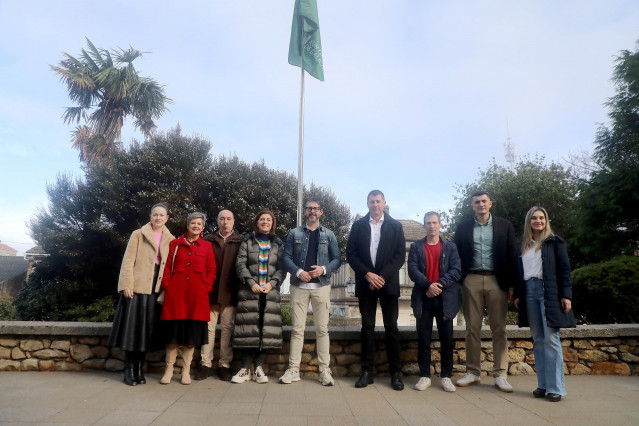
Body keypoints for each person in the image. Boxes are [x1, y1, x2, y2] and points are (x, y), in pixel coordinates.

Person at [454, 190, 517, 392]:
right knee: (472, 327)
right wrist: (460, 280)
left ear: (491, 203)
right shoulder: (463, 227)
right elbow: (456, 254)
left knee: (499, 328)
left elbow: (512, 255)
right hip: (471, 279)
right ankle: (472, 372)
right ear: (472, 206)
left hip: (496, 280)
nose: (480, 204)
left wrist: (512, 285)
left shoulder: (504, 226)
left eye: (484, 201)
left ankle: (500, 374)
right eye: (476, 202)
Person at [108, 203, 175, 386]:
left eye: (162, 215)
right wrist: (126, 284)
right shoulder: (138, 234)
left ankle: (139, 368)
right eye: (155, 214)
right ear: (150, 216)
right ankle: (129, 369)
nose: (158, 218)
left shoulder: (171, 238)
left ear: (167, 218)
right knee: (133, 330)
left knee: (146, 331)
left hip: (156, 288)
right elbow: (128, 261)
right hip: (137, 286)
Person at [514, 206, 576, 402]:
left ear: (546, 220)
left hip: (547, 291)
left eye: (541, 218)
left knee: (551, 338)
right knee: (538, 339)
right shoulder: (523, 245)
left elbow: (564, 271)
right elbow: (519, 272)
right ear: (529, 221)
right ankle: (542, 384)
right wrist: (517, 294)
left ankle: (555, 388)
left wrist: (566, 296)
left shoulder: (554, 242)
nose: (538, 221)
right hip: (528, 292)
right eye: (534, 218)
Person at [346, 190, 406, 390]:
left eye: (378, 201)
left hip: (388, 283)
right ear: (367, 203)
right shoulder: (358, 226)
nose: (375, 205)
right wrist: (368, 275)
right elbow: (351, 254)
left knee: (392, 328)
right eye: (372, 202)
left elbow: (399, 256)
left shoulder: (395, 226)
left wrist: (381, 277)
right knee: (367, 328)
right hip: (366, 282)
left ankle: (395, 374)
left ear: (384, 203)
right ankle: (366, 372)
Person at [279, 197, 341, 386]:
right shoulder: (294, 233)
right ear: (304, 211)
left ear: (321, 212)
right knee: (297, 330)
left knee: (322, 330)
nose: (312, 211)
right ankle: (293, 369)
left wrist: (323, 269)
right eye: (309, 208)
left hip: (321, 286)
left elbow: (337, 258)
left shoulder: (329, 234)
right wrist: (298, 271)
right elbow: (286, 257)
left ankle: (324, 370)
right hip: (299, 287)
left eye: (315, 208)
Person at [407, 211, 462, 392]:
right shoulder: (416, 247)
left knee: (447, 339)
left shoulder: (450, 247)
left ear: (440, 225)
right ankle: (424, 376)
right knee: (424, 339)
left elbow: (456, 270)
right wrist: (428, 286)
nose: (431, 226)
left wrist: (439, 285)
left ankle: (446, 377)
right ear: (424, 226)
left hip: (445, 299)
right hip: (424, 298)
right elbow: (413, 270)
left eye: (434, 223)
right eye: (428, 223)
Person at [159, 212, 216, 385]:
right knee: (172, 338)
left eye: (199, 224)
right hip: (175, 298)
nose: (196, 226)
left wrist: (206, 286)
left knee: (190, 339)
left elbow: (211, 270)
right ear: (188, 225)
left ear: (203, 227)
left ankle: (186, 371)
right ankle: (168, 370)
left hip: (197, 299)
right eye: (193, 223)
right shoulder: (175, 244)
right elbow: (167, 267)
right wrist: (167, 285)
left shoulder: (206, 246)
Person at [231, 210, 286, 384]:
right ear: (257, 222)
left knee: (265, 329)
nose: (265, 222)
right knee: (249, 330)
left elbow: (281, 268)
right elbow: (240, 263)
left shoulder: (277, 243)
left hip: (269, 293)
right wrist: (250, 282)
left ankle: (259, 369)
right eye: (262, 219)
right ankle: (245, 369)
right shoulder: (247, 241)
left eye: (268, 219)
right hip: (250, 292)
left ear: (272, 223)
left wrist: (272, 284)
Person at [194, 210, 243, 382]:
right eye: (222, 218)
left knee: (227, 330)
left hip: (230, 292)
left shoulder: (240, 241)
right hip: (210, 292)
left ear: (233, 221)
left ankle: (224, 365)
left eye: (229, 218)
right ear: (217, 221)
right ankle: (205, 364)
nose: (225, 222)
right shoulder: (207, 240)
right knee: (208, 329)